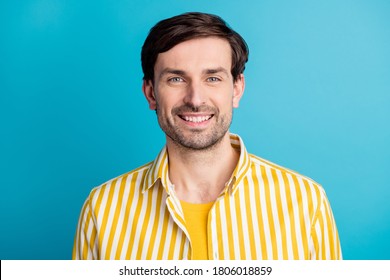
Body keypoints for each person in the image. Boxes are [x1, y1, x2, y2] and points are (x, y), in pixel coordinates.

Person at [72, 12, 342, 260]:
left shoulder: (306, 202)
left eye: (212, 78)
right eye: (176, 79)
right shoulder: (103, 208)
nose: (196, 99)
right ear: (151, 93)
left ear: (236, 89)